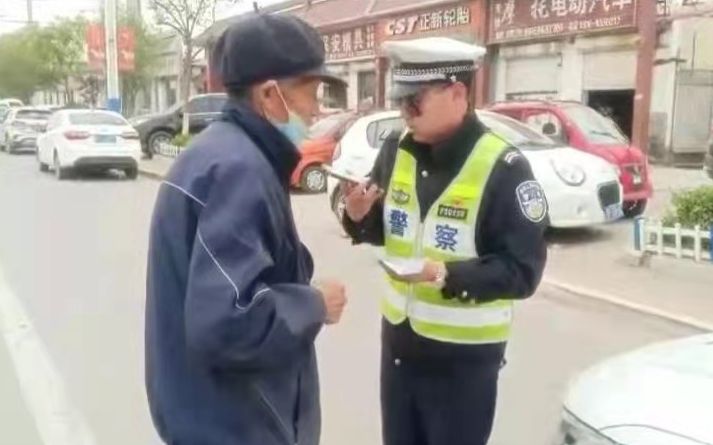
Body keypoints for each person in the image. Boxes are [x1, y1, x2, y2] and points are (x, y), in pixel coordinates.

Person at [145, 14, 348, 445]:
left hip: (210, 413)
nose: (317, 109)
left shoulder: (222, 153)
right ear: (270, 95)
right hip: (237, 424)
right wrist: (313, 304)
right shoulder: (239, 170)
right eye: (311, 92)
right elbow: (227, 321)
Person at [341, 37, 548, 445]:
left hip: (462, 364)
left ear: (457, 94)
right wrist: (358, 217)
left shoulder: (504, 167)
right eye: (400, 102)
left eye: (414, 102)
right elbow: (388, 229)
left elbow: (522, 271)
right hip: (399, 351)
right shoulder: (396, 149)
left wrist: (445, 274)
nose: (405, 113)